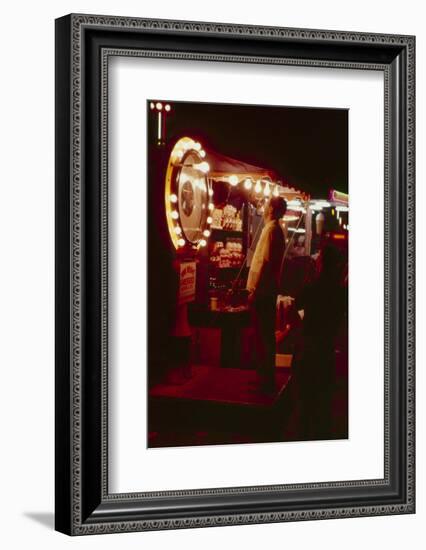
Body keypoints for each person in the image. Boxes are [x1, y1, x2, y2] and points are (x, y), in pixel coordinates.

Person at [246, 196, 287, 392]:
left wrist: (255, 290)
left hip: (264, 292)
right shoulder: (274, 230)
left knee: (263, 336)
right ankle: (264, 376)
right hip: (267, 290)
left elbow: (266, 263)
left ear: (271, 209)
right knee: (263, 336)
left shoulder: (272, 230)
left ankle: (266, 379)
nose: (262, 209)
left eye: (265, 205)